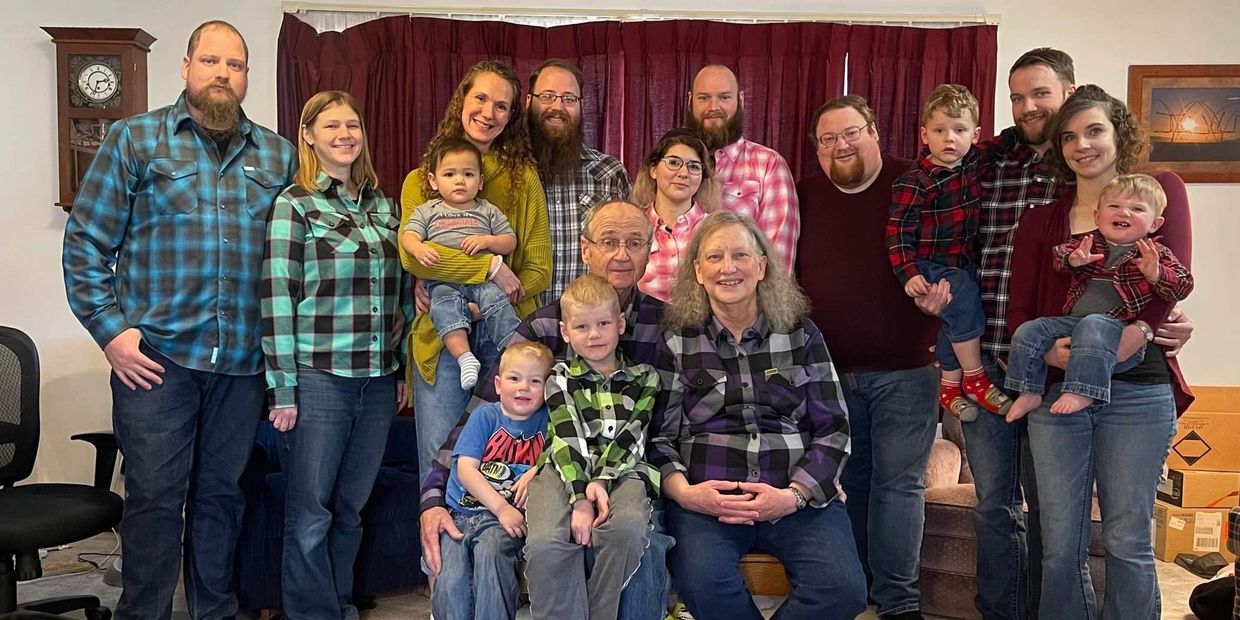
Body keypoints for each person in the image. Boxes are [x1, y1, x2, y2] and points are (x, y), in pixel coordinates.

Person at [61, 21, 296, 620]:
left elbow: (301, 252)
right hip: (156, 362)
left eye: (236, 64)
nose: (223, 73)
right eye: (211, 60)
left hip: (242, 363)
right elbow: (87, 243)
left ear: (247, 77)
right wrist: (111, 331)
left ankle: (214, 612)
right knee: (156, 503)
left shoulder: (278, 154)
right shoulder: (135, 140)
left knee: (222, 499)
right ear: (187, 65)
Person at [417, 200, 673, 620]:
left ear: (651, 250)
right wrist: (432, 498)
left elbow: (668, 431)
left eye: (634, 243)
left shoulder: (667, 328)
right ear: (585, 249)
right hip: (546, 471)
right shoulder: (543, 326)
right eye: (609, 242)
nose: (622, 254)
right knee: (493, 545)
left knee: (641, 538)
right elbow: (482, 411)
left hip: (632, 472)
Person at [1006, 85, 1193, 619]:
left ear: (1119, 134)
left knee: (1127, 537)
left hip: (1138, 388)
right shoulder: (1041, 221)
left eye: (1094, 131)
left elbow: (1170, 281)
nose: (1081, 145)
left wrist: (1127, 341)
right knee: (1059, 543)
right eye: (1069, 136)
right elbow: (1021, 309)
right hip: (1058, 391)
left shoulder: (1161, 192)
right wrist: (1052, 359)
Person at [652, 211, 867, 620]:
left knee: (843, 591)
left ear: (762, 265)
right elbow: (659, 439)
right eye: (714, 258)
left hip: (794, 497)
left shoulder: (801, 333)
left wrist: (795, 495)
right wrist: (685, 494)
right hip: (708, 502)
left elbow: (833, 428)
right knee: (703, 586)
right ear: (697, 272)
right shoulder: (678, 341)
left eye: (740, 255)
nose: (728, 268)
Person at [260, 90, 410, 619]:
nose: (346, 134)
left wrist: (401, 368)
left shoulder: (384, 204)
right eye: (332, 126)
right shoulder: (295, 203)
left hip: (376, 378)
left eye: (353, 124)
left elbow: (401, 293)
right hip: (318, 376)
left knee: (350, 509)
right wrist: (282, 388)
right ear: (308, 136)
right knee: (311, 512)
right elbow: (278, 295)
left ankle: (338, 605)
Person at [796, 95, 940, 620]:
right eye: (827, 139)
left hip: (906, 369)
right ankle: (856, 593)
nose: (841, 146)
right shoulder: (804, 195)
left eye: (850, 132)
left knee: (899, 487)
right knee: (847, 485)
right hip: (829, 376)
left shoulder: (915, 185)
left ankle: (899, 604)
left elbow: (952, 253)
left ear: (876, 131)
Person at [400, 60, 551, 486]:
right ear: (461, 100)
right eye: (480, 98)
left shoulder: (523, 179)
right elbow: (415, 256)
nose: (489, 112)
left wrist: (487, 302)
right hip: (442, 341)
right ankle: (439, 558)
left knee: (509, 474)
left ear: (512, 116)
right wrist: (490, 267)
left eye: (502, 106)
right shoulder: (420, 181)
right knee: (439, 473)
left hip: (510, 341)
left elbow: (538, 269)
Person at [525, 274, 660, 619]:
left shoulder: (646, 378)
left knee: (627, 529)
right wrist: (581, 497)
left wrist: (601, 481)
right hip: (562, 470)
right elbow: (568, 439)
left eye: (603, 323)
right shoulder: (558, 377)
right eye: (582, 326)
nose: (595, 334)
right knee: (545, 545)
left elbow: (633, 436)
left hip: (625, 471)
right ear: (565, 332)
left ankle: (600, 613)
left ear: (620, 324)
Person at [1005, 173, 1193, 419]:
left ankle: (1084, 390)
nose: (1124, 213)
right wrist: (1073, 260)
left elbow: (1183, 285)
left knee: (1093, 324)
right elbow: (1059, 257)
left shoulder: (1156, 253)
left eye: (1136, 209)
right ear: (1097, 216)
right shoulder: (1089, 243)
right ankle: (1028, 390)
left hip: (1114, 327)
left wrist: (1156, 274)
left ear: (1155, 224)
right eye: (1114, 206)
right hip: (1075, 323)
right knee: (1029, 330)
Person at [888, 84, 1012, 422]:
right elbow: (898, 232)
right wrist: (909, 273)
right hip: (927, 263)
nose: (949, 139)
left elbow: (1007, 140)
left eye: (959, 130)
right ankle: (975, 377)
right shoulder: (914, 182)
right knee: (964, 292)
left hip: (960, 261)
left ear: (975, 133)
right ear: (925, 134)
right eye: (940, 130)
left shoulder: (973, 162)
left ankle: (949, 384)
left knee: (955, 314)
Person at [433, 341, 555, 620]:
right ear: (498, 385)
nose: (524, 387)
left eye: (535, 381)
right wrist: (502, 508)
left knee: (493, 558)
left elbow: (558, 456)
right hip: (460, 514)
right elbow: (465, 470)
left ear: (547, 389)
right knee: (451, 581)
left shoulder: (549, 422)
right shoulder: (485, 416)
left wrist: (536, 470)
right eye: (514, 378)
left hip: (502, 523)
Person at [402, 138, 520, 390]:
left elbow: (509, 241)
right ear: (434, 181)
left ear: (480, 182)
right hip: (443, 283)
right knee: (443, 306)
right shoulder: (427, 211)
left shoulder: (487, 210)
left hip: (483, 282)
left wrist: (488, 240)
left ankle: (514, 348)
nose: (459, 180)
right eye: (449, 174)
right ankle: (464, 357)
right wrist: (418, 247)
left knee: (497, 301)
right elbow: (407, 237)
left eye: (468, 174)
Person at [526, 59, 632, 301]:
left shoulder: (609, 173)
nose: (558, 106)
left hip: (591, 328)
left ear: (581, 107)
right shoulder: (505, 171)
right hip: (516, 327)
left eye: (569, 99)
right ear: (528, 101)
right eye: (547, 96)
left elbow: (629, 254)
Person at [685, 64, 799, 270]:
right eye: (704, 98)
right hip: (670, 299)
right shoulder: (671, 166)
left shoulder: (769, 165)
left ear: (741, 101)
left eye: (724, 97)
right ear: (690, 101)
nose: (713, 107)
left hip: (743, 300)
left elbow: (776, 265)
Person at [632, 128, 720, 301]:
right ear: (653, 170)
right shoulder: (632, 227)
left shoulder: (717, 230)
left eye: (693, 166)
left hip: (700, 326)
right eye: (673, 162)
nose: (683, 173)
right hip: (640, 326)